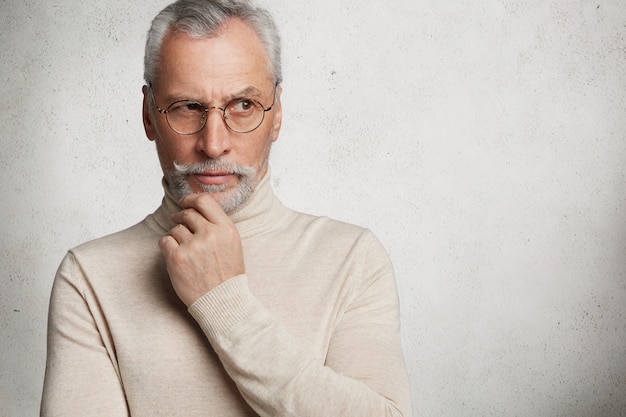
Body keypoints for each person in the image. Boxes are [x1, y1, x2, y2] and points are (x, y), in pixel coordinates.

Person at [40, 0, 412, 416]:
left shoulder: (352, 258)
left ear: (277, 114)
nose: (213, 143)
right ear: (148, 114)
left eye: (243, 105)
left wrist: (223, 302)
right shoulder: (89, 276)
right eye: (188, 107)